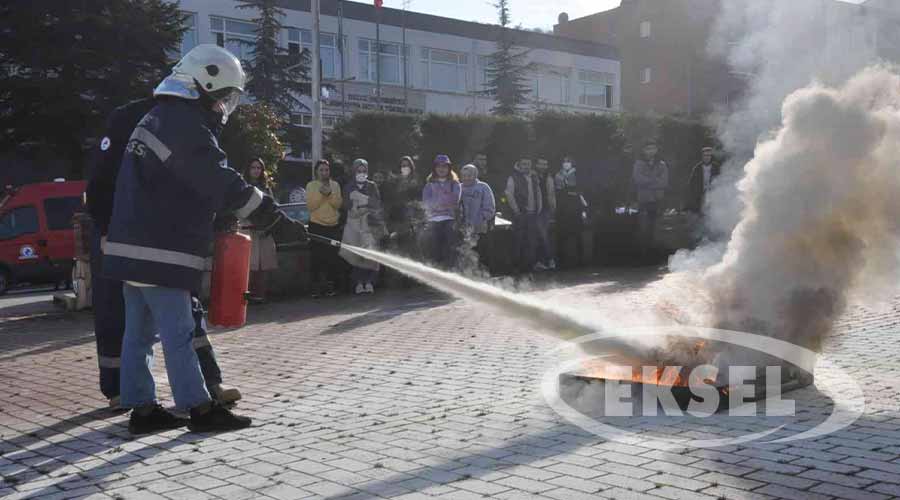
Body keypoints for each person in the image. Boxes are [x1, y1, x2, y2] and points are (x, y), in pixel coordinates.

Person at [103, 45, 307, 434]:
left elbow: (183, 184)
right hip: (159, 247)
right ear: (204, 84)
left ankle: (142, 409)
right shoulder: (183, 122)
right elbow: (214, 177)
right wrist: (267, 212)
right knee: (179, 330)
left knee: (139, 332)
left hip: (132, 245)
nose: (224, 106)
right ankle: (198, 408)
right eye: (224, 96)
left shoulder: (159, 117)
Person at [86, 97, 241, 411]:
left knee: (169, 318)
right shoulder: (130, 116)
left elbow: (199, 181)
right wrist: (105, 229)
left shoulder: (187, 119)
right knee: (125, 315)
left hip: (161, 237)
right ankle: (172, 400)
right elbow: (101, 182)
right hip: (123, 232)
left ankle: (190, 387)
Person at [339, 159, 384, 294]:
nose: (361, 173)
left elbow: (376, 203)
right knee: (356, 254)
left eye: (364, 171)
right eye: (359, 171)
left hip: (369, 223)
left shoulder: (372, 186)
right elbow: (346, 205)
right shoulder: (348, 187)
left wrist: (362, 202)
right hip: (353, 223)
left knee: (371, 253)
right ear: (354, 171)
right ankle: (358, 283)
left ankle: (370, 282)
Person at [241, 159, 278, 303]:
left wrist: (266, 226)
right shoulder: (243, 187)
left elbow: (272, 208)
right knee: (248, 265)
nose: (256, 170)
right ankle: (246, 295)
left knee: (263, 265)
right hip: (247, 229)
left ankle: (260, 294)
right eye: (253, 167)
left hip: (264, 230)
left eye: (259, 168)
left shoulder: (266, 188)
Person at [306, 159, 343, 298]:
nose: (324, 172)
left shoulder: (335, 185)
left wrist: (329, 194)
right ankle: (315, 287)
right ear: (317, 171)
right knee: (316, 258)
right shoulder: (311, 185)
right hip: (316, 225)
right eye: (321, 170)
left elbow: (337, 204)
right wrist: (322, 194)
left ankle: (330, 286)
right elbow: (311, 206)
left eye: (326, 170)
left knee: (332, 258)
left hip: (333, 225)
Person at [422, 154, 461, 268]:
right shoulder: (429, 185)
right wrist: (444, 199)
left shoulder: (455, 184)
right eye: (439, 166)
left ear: (449, 168)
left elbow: (454, 200)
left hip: (449, 219)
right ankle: (436, 272)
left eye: (445, 166)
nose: (442, 169)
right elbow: (426, 202)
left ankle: (450, 271)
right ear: (435, 168)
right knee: (433, 247)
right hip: (433, 220)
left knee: (450, 247)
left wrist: (438, 202)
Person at [505, 158, 542, 274]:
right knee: (518, 241)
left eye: (528, 164)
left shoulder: (534, 177)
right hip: (521, 214)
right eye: (524, 164)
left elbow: (538, 192)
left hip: (533, 214)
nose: (526, 166)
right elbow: (509, 194)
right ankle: (516, 267)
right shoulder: (513, 177)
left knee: (531, 241)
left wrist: (539, 206)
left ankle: (529, 267)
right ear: (519, 165)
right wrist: (516, 210)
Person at [632, 140, 669, 255]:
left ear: (657, 150)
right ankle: (643, 252)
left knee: (656, 226)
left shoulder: (662, 164)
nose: (651, 151)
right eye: (648, 148)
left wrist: (648, 182)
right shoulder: (638, 164)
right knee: (643, 226)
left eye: (653, 148)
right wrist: (654, 181)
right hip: (644, 199)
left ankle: (655, 251)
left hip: (657, 199)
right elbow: (638, 179)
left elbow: (664, 182)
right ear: (644, 150)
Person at [458, 164, 496, 273]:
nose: (466, 178)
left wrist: (482, 219)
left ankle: (484, 277)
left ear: (475, 175)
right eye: (464, 176)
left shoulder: (483, 187)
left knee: (482, 254)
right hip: (463, 229)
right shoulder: (458, 188)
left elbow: (490, 207)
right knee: (465, 254)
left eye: (469, 175)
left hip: (480, 229)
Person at [384, 156, 424, 258]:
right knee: (396, 246)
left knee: (411, 247)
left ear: (411, 167)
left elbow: (420, 199)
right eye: (403, 166)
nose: (405, 167)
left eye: (407, 165)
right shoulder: (395, 181)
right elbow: (391, 199)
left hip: (411, 219)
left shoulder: (417, 181)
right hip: (396, 217)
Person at [554, 156, 586, 269]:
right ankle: (562, 261)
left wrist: (570, 192)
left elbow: (579, 190)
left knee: (578, 234)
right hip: (562, 209)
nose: (566, 164)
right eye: (564, 162)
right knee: (562, 235)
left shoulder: (578, 174)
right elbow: (558, 191)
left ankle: (580, 260)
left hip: (576, 208)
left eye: (568, 162)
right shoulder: (558, 175)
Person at [533, 158, 557, 271]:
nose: (543, 166)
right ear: (536, 165)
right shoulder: (533, 177)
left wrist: (553, 208)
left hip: (546, 210)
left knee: (543, 235)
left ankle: (543, 261)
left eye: (545, 164)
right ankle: (548, 260)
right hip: (536, 209)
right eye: (541, 164)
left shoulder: (549, 177)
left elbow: (551, 194)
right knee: (541, 235)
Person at [685, 146, 720, 214]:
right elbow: (691, 183)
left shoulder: (716, 167)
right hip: (700, 195)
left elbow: (720, 181)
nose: (707, 157)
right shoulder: (697, 168)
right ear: (702, 156)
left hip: (713, 194)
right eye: (705, 155)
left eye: (709, 155)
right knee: (701, 215)